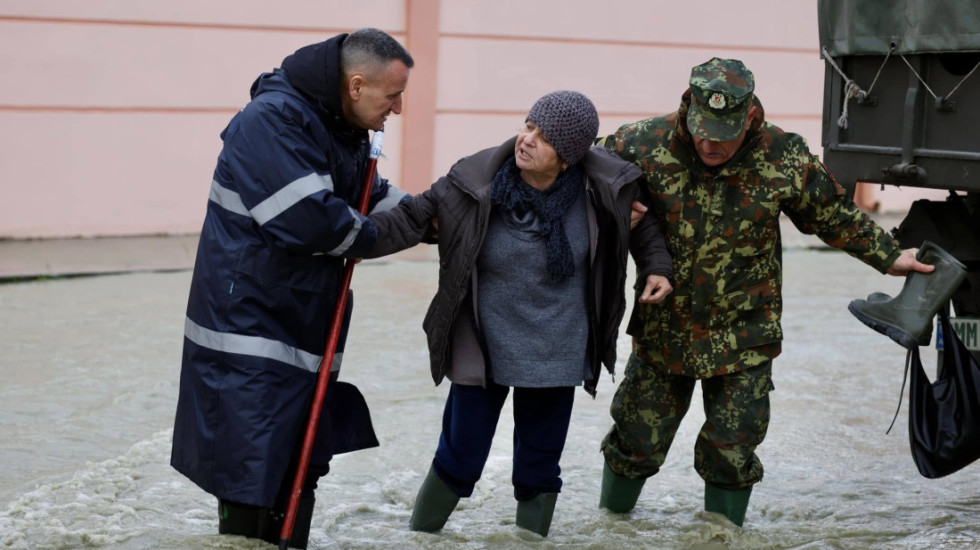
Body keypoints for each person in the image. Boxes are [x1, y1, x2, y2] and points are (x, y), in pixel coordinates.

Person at [595, 58, 936, 527]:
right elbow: (583, 179)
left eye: (724, 134)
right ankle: (609, 529)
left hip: (745, 336)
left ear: (750, 117)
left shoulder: (783, 155)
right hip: (663, 329)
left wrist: (888, 255)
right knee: (634, 441)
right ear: (689, 106)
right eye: (702, 130)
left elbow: (832, 214)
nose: (710, 144)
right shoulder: (639, 143)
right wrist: (609, 215)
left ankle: (721, 537)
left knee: (732, 452)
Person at [364, 90, 674, 537]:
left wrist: (657, 268)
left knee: (538, 467)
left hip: (558, 346)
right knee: (459, 457)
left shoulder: (601, 192)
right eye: (528, 125)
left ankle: (531, 543)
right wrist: (350, 240)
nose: (526, 139)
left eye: (544, 137)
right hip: (483, 342)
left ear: (567, 158)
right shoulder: (473, 185)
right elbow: (409, 219)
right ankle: (421, 540)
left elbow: (643, 226)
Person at [169, 28, 413, 548]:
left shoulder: (336, 125)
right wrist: (389, 234)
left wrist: (440, 216)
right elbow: (312, 222)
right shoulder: (271, 121)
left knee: (299, 466)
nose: (398, 108)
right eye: (392, 95)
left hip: (300, 328)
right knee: (250, 469)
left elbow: (372, 195)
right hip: (248, 335)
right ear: (354, 85)